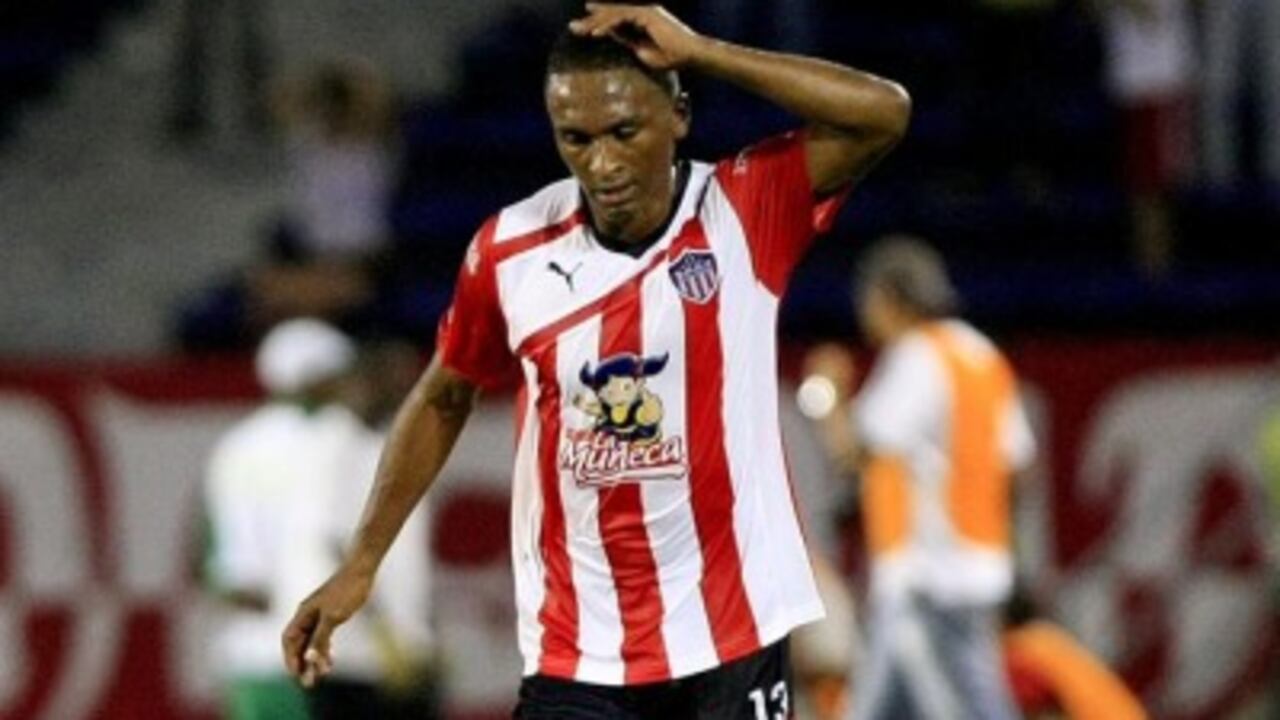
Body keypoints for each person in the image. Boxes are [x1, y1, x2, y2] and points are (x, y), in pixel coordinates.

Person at [282, 3, 910, 718]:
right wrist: (361, 564)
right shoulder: (511, 250)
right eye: (575, 139)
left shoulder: (741, 208)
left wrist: (702, 50)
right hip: (579, 651)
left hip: (732, 634)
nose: (602, 163)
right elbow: (443, 395)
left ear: (678, 115)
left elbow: (882, 113)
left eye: (624, 132)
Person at [804, 237, 1035, 719]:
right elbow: (1017, 467)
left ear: (890, 297)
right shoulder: (980, 354)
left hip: (927, 578)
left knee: (959, 709)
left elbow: (852, 453)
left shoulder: (917, 356)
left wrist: (824, 392)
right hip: (977, 567)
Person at [203, 318, 359, 720]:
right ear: (315, 378)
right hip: (322, 651)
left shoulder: (235, 444)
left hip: (249, 651)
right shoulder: (335, 437)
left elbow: (209, 556)